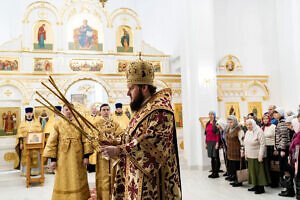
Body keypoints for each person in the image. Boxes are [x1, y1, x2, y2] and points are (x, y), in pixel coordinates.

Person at [100, 59, 182, 199]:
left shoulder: (161, 111)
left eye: (131, 88)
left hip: (154, 184)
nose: (127, 93)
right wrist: (114, 142)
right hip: (135, 177)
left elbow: (152, 143)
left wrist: (119, 150)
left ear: (144, 87)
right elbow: (132, 137)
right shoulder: (142, 109)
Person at [43, 104, 93, 200]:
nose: (69, 112)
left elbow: (86, 140)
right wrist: (53, 160)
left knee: (78, 178)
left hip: (77, 157)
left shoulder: (80, 123)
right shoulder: (57, 123)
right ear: (63, 111)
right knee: (63, 178)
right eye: (66, 110)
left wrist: (86, 156)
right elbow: (52, 142)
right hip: (62, 157)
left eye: (71, 110)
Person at [94, 103, 124, 200]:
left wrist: (112, 142)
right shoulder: (96, 124)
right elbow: (92, 139)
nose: (106, 112)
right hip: (102, 155)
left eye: (107, 110)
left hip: (114, 154)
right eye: (104, 110)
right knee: (103, 177)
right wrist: (100, 149)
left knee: (114, 175)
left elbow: (121, 136)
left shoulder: (115, 123)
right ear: (100, 111)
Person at [244, 119, 271, 194]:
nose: (248, 126)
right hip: (250, 155)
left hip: (257, 155)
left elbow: (262, 144)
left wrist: (260, 155)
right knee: (252, 171)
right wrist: (246, 153)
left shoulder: (259, 131)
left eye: (250, 124)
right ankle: (255, 185)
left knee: (259, 172)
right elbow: (245, 143)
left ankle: (261, 188)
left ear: (254, 124)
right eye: (247, 125)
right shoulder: (247, 132)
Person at [274, 107, 295, 197]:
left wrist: (282, 149)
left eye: (276, 113)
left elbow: (284, 137)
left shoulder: (282, 124)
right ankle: (288, 189)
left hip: (283, 149)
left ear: (281, 114)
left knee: (285, 168)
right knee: (284, 168)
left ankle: (290, 191)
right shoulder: (280, 122)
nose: (275, 114)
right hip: (281, 148)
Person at [15, 107, 42, 176]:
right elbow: (20, 134)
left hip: (35, 143)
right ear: (26, 114)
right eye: (27, 113)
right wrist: (20, 143)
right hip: (25, 143)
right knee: (26, 157)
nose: (29, 114)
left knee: (35, 156)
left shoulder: (37, 122)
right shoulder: (22, 123)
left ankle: (35, 171)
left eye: (30, 113)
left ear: (32, 113)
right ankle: (26, 172)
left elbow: (40, 132)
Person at [225, 115, 245, 187]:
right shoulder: (228, 129)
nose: (230, 124)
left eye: (231, 122)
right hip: (230, 152)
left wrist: (242, 151)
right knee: (232, 167)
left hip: (237, 152)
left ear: (235, 122)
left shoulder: (239, 130)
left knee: (237, 167)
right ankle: (234, 179)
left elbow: (242, 142)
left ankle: (239, 181)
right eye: (228, 122)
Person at [262, 113, 279, 187]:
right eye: (264, 119)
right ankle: (268, 180)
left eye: (267, 118)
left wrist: (276, 149)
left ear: (269, 119)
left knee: (273, 165)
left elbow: (276, 138)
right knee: (266, 165)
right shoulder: (262, 127)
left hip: (272, 148)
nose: (265, 120)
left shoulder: (273, 126)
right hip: (265, 148)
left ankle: (274, 182)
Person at [205, 111, 220, 178]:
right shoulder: (207, 123)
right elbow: (207, 134)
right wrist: (206, 143)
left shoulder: (216, 123)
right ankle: (213, 172)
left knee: (215, 157)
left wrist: (217, 143)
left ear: (214, 115)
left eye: (212, 114)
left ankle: (216, 173)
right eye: (209, 114)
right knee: (212, 158)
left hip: (214, 142)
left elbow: (217, 134)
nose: (210, 116)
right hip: (209, 142)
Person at [87, 106, 101, 173]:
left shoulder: (99, 118)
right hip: (90, 136)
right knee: (90, 151)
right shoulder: (87, 117)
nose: (94, 110)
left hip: (97, 137)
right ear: (90, 110)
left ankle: (97, 167)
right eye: (92, 109)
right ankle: (90, 168)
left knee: (97, 151)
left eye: (95, 109)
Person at [289, 114, 300, 199]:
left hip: (298, 160)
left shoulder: (298, 136)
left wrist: (296, 163)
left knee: (298, 177)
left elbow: (297, 150)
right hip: (295, 159)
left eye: (293, 125)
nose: (291, 127)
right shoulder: (296, 134)